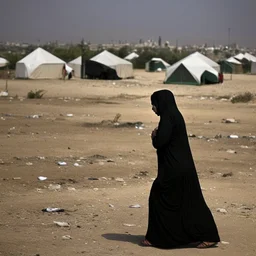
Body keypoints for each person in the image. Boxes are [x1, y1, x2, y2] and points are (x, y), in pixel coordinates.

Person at [142, 90, 220, 249]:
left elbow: (160, 142)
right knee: (189, 202)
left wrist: (154, 137)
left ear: (161, 103)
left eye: (154, 104)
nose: (153, 108)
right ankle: (207, 235)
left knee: (159, 198)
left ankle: (155, 237)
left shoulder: (168, 118)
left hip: (174, 170)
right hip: (182, 167)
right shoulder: (175, 115)